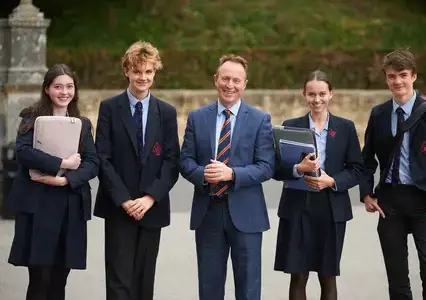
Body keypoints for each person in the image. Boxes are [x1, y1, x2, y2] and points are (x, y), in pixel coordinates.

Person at [360, 49, 426, 300]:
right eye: (391, 76)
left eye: (403, 75)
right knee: (397, 276)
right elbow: (366, 158)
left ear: (413, 76)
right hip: (390, 202)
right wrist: (366, 194)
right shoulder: (379, 114)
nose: (397, 82)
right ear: (386, 79)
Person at [179, 54, 275, 300]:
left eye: (236, 80)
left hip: (247, 215)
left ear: (244, 84)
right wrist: (204, 175)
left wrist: (232, 174)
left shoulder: (259, 119)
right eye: (225, 78)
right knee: (209, 290)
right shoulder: (197, 118)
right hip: (208, 213)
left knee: (248, 290)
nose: (229, 85)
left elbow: (266, 166)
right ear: (215, 80)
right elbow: (185, 161)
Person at [94, 40, 180, 300]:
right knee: (119, 282)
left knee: (145, 281)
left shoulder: (166, 112)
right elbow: (102, 158)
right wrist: (123, 200)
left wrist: (150, 197)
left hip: (151, 207)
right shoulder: (109, 108)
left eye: (148, 72)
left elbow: (171, 160)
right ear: (126, 71)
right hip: (119, 207)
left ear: (155, 73)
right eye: (137, 71)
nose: (143, 77)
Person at [7, 64, 99, 300]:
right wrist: (63, 163)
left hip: (69, 206)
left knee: (60, 279)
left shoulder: (82, 123)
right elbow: (23, 152)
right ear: (47, 89)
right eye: (58, 86)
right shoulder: (31, 116)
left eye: (69, 86)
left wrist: (66, 180)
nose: (64, 92)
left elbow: (92, 162)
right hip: (38, 207)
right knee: (40, 278)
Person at [272, 70, 364, 300]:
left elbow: (357, 169)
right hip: (297, 207)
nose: (317, 99)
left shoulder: (345, 128)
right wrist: (298, 169)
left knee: (328, 275)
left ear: (331, 94)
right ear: (304, 94)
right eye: (311, 94)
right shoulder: (290, 126)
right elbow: (276, 169)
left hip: (331, 208)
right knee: (298, 275)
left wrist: (332, 180)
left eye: (322, 93)